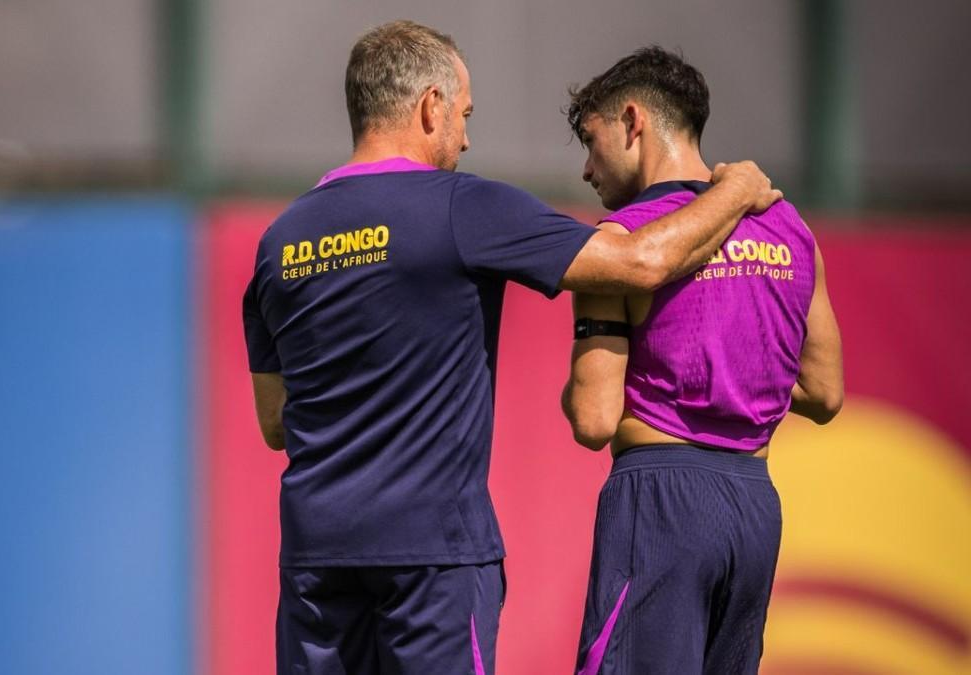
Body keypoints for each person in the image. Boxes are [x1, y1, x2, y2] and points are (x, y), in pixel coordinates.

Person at [243, 21, 780, 674]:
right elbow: (641, 262)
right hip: (433, 558)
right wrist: (736, 192)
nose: (466, 138)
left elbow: (277, 422)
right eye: (465, 115)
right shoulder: (461, 208)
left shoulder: (280, 241)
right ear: (431, 107)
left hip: (316, 556)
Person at [560, 47, 844, 675]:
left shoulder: (617, 243)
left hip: (661, 499)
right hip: (754, 509)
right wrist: (735, 379)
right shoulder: (791, 231)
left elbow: (594, 418)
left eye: (591, 141)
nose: (586, 168)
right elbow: (825, 393)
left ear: (632, 121)